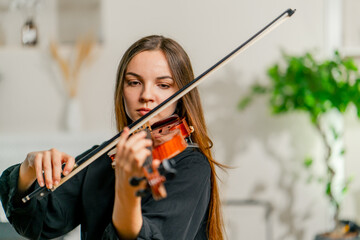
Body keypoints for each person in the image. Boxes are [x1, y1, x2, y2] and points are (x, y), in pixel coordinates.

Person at [0, 35, 225, 240]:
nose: (146, 95)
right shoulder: (105, 157)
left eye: (163, 85)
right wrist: (28, 170)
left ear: (181, 94)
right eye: (134, 82)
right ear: (122, 89)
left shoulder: (191, 166)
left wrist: (127, 190)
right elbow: (38, 223)